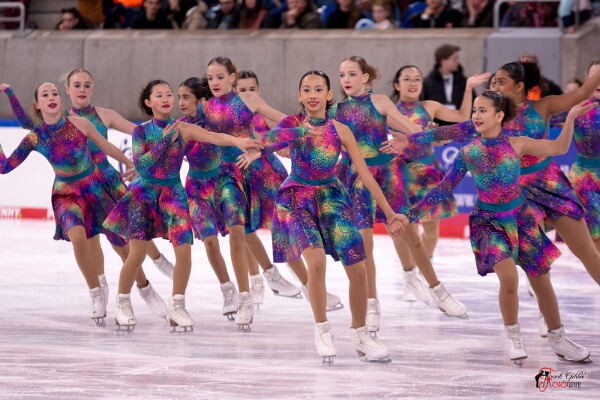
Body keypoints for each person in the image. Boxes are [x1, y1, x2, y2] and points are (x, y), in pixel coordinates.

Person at [402, 91, 593, 364]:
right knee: (510, 279)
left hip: (521, 217)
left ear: (499, 115)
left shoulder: (518, 143)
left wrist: (571, 117)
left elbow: (560, 148)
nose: (476, 116)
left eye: (483, 110)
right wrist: (410, 215)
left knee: (541, 279)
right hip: (488, 223)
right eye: (474, 110)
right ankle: (512, 335)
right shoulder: (469, 153)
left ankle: (558, 338)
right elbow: (443, 188)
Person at [383, 60, 600, 288]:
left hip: (549, 184)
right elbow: (450, 131)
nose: (494, 86)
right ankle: (540, 294)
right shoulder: (490, 118)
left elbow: (583, 93)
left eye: (501, 82)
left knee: (586, 251)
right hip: (516, 194)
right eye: (493, 82)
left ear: (519, 86)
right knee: (536, 269)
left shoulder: (542, 107)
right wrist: (410, 138)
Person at [1, 72, 175, 321]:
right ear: (38, 104)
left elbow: (108, 147)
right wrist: (9, 94)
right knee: (79, 239)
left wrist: (133, 164)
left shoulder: (80, 123)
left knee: (123, 245)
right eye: (45, 95)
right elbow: (5, 166)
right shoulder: (36, 136)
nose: (51, 97)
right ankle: (96, 291)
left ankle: (145, 286)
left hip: (96, 188)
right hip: (66, 194)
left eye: (54, 93)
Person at [261, 70, 406, 363]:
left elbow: (365, 174)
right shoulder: (292, 124)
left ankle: (360, 334)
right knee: (315, 262)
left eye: (318, 89)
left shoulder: (341, 130)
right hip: (297, 199)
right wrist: (280, 139)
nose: (312, 95)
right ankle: (322, 328)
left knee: (358, 266)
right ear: (299, 95)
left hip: (332, 198)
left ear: (329, 95)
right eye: (306, 89)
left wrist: (390, 213)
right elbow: (266, 141)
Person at [103, 79, 262, 331]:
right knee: (136, 254)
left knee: (184, 250)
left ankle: (177, 305)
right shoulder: (141, 132)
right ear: (148, 102)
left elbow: (214, 137)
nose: (167, 98)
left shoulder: (183, 128)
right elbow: (142, 165)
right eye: (159, 95)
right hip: (144, 195)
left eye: (169, 94)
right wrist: (165, 140)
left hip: (174, 195)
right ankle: (122, 301)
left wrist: (238, 142)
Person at [335, 56, 468, 339]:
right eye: (342, 74)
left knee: (411, 236)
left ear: (365, 77)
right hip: (356, 179)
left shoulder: (380, 101)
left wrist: (435, 136)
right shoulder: (337, 109)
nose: (346, 79)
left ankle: (437, 290)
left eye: (352, 74)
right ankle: (372, 303)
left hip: (388, 175)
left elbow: (411, 129)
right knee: (364, 245)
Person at [178, 57, 302, 330]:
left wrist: (292, 137)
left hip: (252, 171)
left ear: (232, 77)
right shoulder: (204, 107)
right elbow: (186, 128)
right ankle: (246, 294)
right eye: (210, 78)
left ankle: (285, 279)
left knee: (275, 225)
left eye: (220, 77)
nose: (214, 82)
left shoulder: (247, 99)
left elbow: (286, 122)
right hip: (221, 178)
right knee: (236, 234)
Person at [236, 70, 344, 311]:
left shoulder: (262, 114)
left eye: (252, 89)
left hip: (269, 177)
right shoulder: (226, 119)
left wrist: (292, 142)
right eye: (242, 90)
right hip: (241, 176)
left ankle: (309, 286)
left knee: (286, 235)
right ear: (234, 92)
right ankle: (261, 278)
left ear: (259, 90)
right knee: (245, 230)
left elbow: (293, 125)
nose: (248, 94)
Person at [389, 65, 489, 293]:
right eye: (407, 79)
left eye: (417, 78)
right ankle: (409, 274)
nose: (413, 83)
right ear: (397, 85)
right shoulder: (389, 111)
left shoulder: (430, 106)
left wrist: (468, 88)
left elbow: (462, 118)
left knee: (431, 230)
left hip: (428, 174)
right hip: (400, 175)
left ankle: (421, 270)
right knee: (400, 230)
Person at [423, 44, 473, 125]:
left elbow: (472, 104)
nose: (457, 62)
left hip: (460, 125)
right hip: (437, 127)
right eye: (454, 59)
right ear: (443, 62)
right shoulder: (428, 83)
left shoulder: (463, 81)